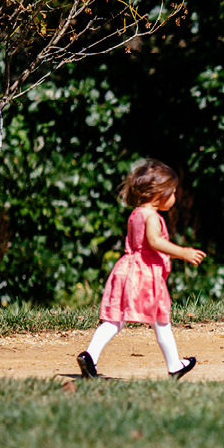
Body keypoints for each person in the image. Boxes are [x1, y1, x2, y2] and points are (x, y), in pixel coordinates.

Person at [77, 159, 206, 379]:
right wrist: (183, 252)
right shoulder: (152, 217)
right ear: (159, 193)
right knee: (161, 321)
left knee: (115, 319)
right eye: (172, 192)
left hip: (126, 269)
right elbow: (155, 242)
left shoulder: (136, 214)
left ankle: (90, 356)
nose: (174, 197)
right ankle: (174, 365)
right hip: (145, 275)